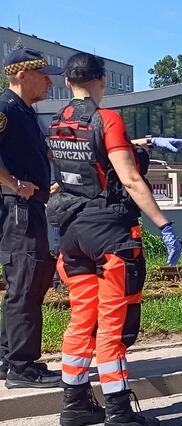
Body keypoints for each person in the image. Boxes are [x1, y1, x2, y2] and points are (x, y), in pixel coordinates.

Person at [48, 52, 182, 426]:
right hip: (109, 234)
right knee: (113, 324)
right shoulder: (107, 118)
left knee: (81, 320)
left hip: (72, 234)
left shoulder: (58, 122)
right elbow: (130, 179)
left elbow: (84, 163)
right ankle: (119, 413)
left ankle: (74, 403)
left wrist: (142, 141)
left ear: (68, 81)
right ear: (101, 81)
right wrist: (164, 225)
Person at [0, 49, 64, 388]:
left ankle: (7, 356)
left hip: (30, 207)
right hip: (17, 211)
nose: (49, 81)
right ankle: (22, 368)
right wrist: (14, 182)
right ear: (23, 75)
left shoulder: (25, 112)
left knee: (26, 284)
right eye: (43, 74)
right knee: (26, 285)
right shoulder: (6, 108)